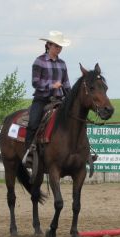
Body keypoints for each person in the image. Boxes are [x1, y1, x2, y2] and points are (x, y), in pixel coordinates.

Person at [23, 30, 71, 164]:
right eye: (56, 46)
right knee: (33, 124)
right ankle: (28, 153)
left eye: (60, 47)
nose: (59, 49)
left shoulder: (62, 63)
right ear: (48, 45)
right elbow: (35, 82)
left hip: (59, 100)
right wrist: (52, 85)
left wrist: (71, 98)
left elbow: (66, 84)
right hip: (42, 99)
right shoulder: (39, 61)